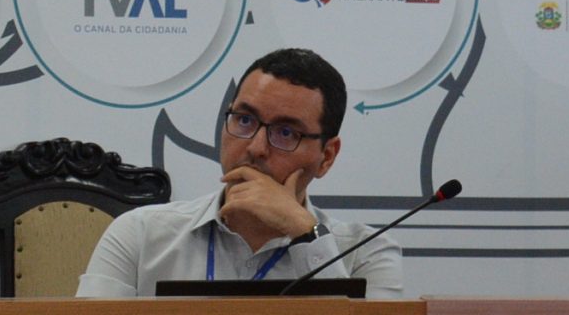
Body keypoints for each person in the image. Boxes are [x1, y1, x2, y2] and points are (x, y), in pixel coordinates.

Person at [76, 46, 407, 298]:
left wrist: (307, 234)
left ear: (327, 157)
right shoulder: (141, 235)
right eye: (244, 120)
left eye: (286, 133)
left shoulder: (367, 253)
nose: (256, 148)